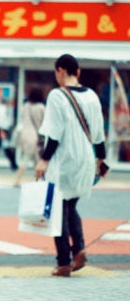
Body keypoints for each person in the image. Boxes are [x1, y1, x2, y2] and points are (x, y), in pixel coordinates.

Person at [35, 54, 107, 277]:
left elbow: (54, 134)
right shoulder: (93, 96)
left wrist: (44, 160)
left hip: (64, 159)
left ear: (60, 71)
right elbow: (98, 133)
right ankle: (79, 249)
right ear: (78, 72)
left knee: (59, 209)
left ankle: (64, 262)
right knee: (70, 205)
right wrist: (101, 158)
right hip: (85, 159)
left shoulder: (57, 95)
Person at [13, 88, 45, 187]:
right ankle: (18, 180)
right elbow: (44, 122)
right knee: (28, 159)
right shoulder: (41, 107)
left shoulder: (26, 106)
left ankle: (38, 181)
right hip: (35, 136)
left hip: (24, 134)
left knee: (36, 159)